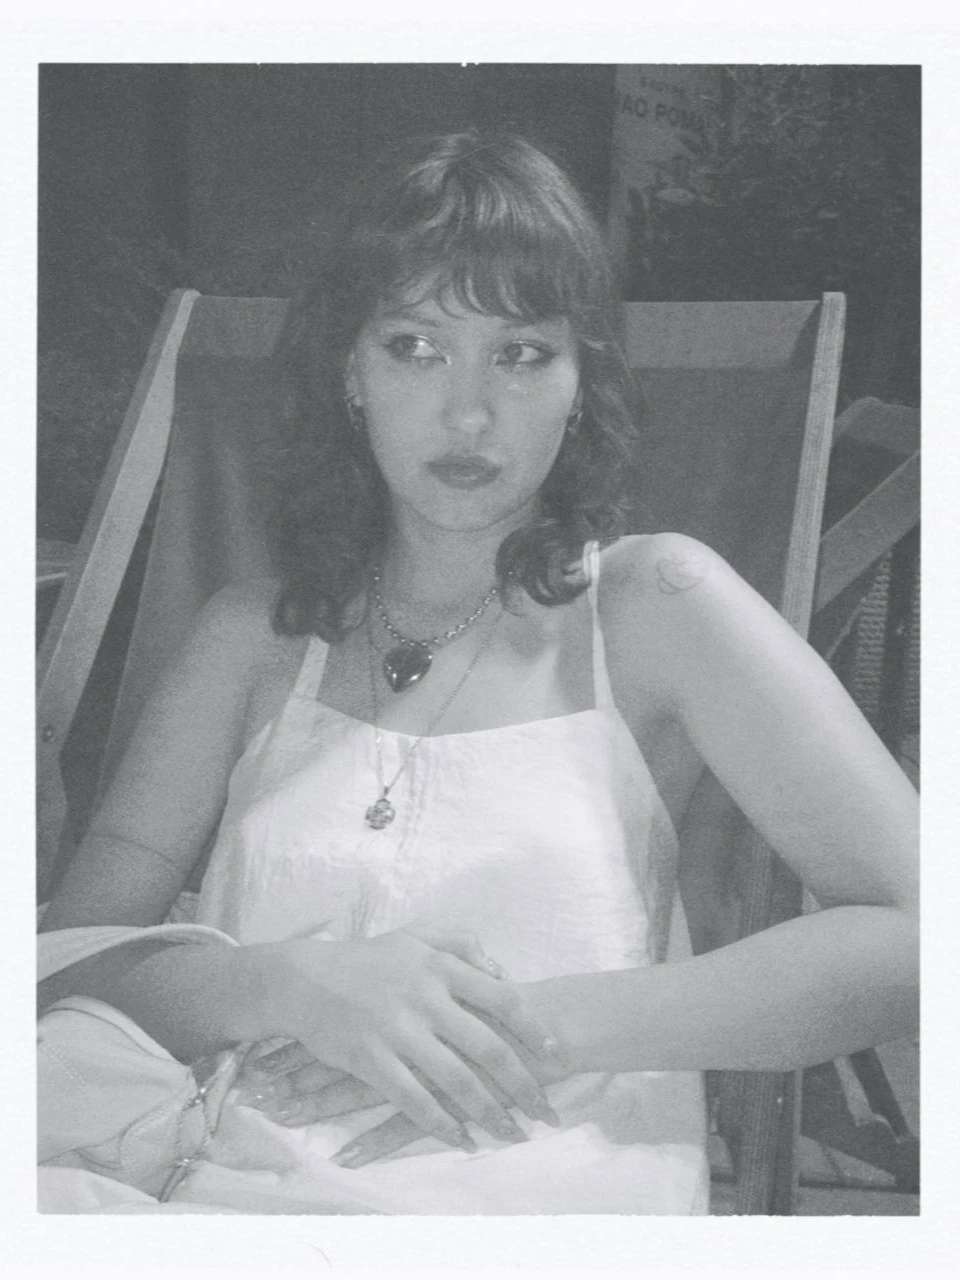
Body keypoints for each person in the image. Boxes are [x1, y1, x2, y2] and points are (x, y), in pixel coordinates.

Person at [37, 131, 917, 1215]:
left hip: (546, 1203)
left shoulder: (657, 608)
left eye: (523, 353)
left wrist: (525, 1029)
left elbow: (921, 934)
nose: (467, 412)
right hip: (219, 1197)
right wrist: (289, 986)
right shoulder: (251, 641)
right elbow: (67, 963)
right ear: (349, 374)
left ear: (582, 383)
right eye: (414, 346)